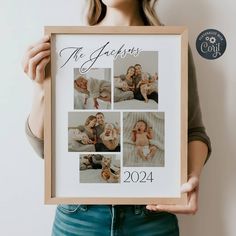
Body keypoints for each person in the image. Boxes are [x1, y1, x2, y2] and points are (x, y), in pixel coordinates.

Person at [22, 0, 211, 235]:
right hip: (78, 218)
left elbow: (194, 132)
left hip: (151, 219)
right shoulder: (67, 48)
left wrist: (191, 179)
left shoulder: (172, 45)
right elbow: (44, 149)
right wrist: (41, 88)